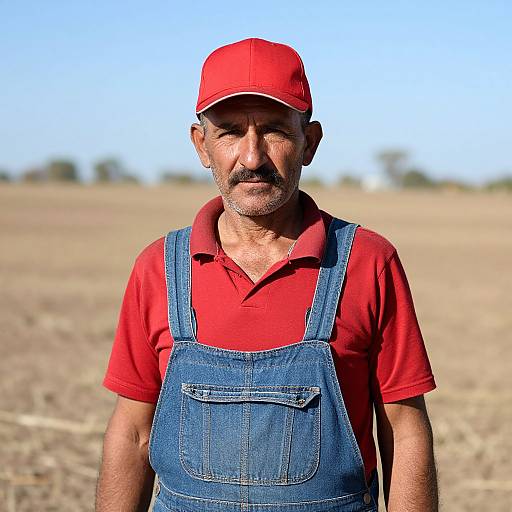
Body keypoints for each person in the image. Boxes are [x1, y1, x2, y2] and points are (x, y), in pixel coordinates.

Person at [96, 37, 438, 512]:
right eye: (230, 132)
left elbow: (403, 428)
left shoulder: (366, 262)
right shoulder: (159, 268)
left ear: (310, 142)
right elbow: (133, 432)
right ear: (201, 145)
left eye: (275, 130)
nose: (252, 157)